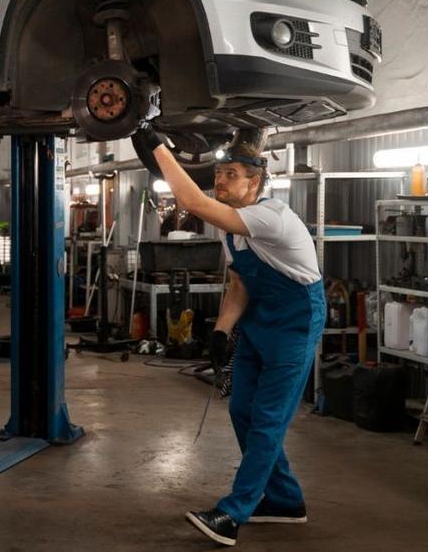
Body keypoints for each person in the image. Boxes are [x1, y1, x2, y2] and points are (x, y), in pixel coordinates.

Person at [135, 126, 325, 547]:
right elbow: (239, 282)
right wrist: (222, 330)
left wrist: (157, 148)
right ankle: (285, 502)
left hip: (295, 321)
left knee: (268, 421)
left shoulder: (268, 217)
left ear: (254, 181)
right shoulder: (231, 227)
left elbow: (191, 201)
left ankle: (234, 511)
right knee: (242, 411)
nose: (220, 181)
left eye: (231, 174)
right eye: (219, 173)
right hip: (259, 319)